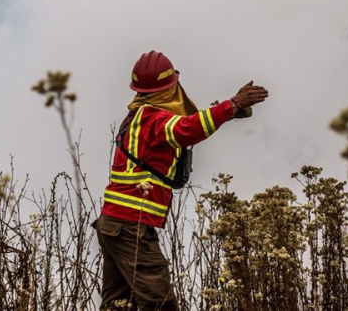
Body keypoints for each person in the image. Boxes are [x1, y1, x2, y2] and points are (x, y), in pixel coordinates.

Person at [95, 50, 270, 310]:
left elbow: (184, 123)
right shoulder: (154, 120)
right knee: (160, 303)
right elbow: (185, 129)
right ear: (170, 87)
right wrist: (231, 105)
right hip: (131, 226)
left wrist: (231, 111)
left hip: (114, 225)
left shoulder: (138, 117)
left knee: (119, 305)